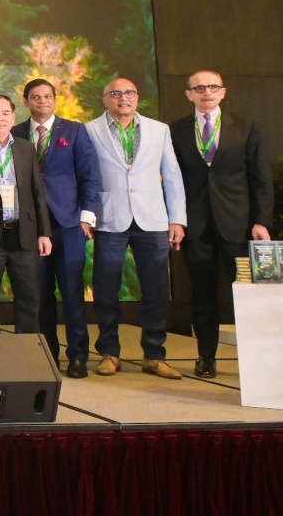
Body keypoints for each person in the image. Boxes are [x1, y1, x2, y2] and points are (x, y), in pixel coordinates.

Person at [170, 70, 273, 378]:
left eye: (213, 87)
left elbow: (261, 177)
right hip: (196, 227)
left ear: (223, 92)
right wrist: (176, 220)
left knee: (249, 296)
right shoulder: (175, 130)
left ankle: (257, 361)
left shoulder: (246, 126)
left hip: (239, 226)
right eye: (200, 87)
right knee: (202, 296)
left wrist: (261, 221)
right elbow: (172, 180)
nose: (207, 92)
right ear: (189, 94)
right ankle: (206, 357)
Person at [84, 78, 187, 380]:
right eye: (115, 93)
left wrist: (177, 219)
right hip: (109, 218)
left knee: (156, 289)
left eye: (129, 93)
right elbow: (86, 176)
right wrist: (88, 216)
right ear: (105, 99)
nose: (123, 98)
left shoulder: (159, 129)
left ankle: (154, 355)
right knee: (106, 289)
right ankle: (109, 352)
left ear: (137, 98)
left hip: (152, 220)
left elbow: (172, 176)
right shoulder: (89, 130)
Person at [12, 78, 101, 378]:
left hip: (69, 222)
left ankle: (78, 356)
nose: (42, 101)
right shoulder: (15, 133)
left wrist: (87, 216)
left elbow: (89, 175)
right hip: (31, 225)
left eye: (47, 96)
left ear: (55, 99)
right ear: (26, 101)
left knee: (72, 292)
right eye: (36, 97)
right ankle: (47, 354)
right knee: (39, 294)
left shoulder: (74, 131)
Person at [0, 94, 52, 336]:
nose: (0, 118)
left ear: (13, 118)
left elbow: (37, 192)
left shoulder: (25, 148)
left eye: (6, 113)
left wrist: (44, 233)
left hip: (23, 234)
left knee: (29, 299)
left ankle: (26, 353)